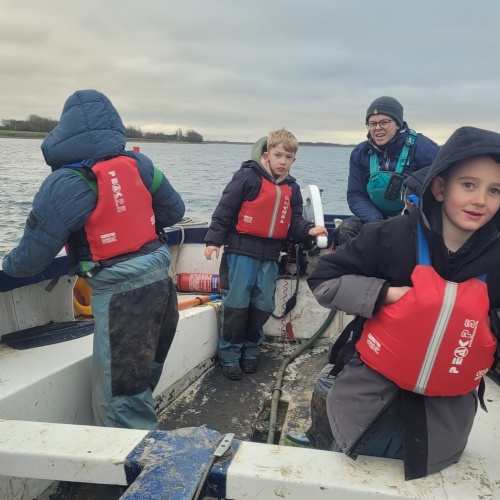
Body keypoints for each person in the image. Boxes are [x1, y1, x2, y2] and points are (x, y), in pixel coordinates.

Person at [305, 126, 500, 479]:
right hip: (366, 410)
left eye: (495, 190)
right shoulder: (391, 236)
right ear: (439, 188)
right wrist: (385, 294)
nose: (480, 200)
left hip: (443, 427)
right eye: (469, 185)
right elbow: (324, 279)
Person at [2, 89, 185, 431]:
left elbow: (30, 259)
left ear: (65, 131)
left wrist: (6, 267)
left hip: (121, 301)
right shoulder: (141, 165)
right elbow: (174, 211)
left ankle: (139, 463)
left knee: (122, 401)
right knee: (142, 380)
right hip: (162, 288)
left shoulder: (64, 183)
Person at [284, 166, 431, 451]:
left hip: (391, 355)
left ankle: (323, 442)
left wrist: (384, 293)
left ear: (407, 201)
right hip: (435, 368)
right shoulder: (474, 251)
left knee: (327, 379)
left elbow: (324, 279)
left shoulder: (390, 236)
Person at [204, 128, 328, 380]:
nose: (283, 161)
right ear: (266, 155)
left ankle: (251, 352)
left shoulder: (292, 188)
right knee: (236, 305)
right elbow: (225, 208)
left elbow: (293, 221)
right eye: (278, 155)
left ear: (294, 160)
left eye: (288, 157)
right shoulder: (247, 177)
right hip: (241, 252)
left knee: (263, 305)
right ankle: (230, 355)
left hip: (270, 256)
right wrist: (213, 241)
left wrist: (309, 229)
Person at [333, 96, 440, 247]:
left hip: (410, 217)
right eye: (372, 123)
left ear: (398, 124)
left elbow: (437, 190)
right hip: (374, 218)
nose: (378, 128)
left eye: (384, 122)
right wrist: (376, 221)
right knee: (346, 229)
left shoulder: (424, 149)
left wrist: (404, 217)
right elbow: (355, 195)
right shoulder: (360, 153)